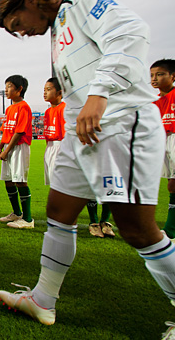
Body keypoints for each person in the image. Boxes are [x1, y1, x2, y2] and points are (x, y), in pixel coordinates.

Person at [0, 0, 175, 337]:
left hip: (119, 124)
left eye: (17, 23)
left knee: (138, 230)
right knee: (59, 212)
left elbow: (131, 31)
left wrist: (99, 95)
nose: (21, 32)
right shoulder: (58, 32)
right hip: (80, 133)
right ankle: (43, 299)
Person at [43, 78, 115, 238]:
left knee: (107, 184)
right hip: (59, 146)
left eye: (48, 89)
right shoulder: (52, 111)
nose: (44, 93)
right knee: (77, 185)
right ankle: (93, 222)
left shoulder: (69, 107)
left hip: (105, 143)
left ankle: (105, 221)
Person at [151, 58, 175, 245]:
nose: (154, 79)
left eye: (159, 74)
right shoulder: (158, 102)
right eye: (151, 75)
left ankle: (169, 232)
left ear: (174, 76)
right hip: (168, 141)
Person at [0, 75, 34, 229]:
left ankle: (27, 219)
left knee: (20, 180)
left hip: (19, 146)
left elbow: (19, 132)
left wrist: (7, 150)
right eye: (6, 86)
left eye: (10, 86)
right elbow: (6, 129)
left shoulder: (24, 107)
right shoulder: (10, 108)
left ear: (20, 89)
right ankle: (17, 212)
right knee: (8, 180)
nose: (6, 90)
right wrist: (1, 145)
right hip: (8, 146)